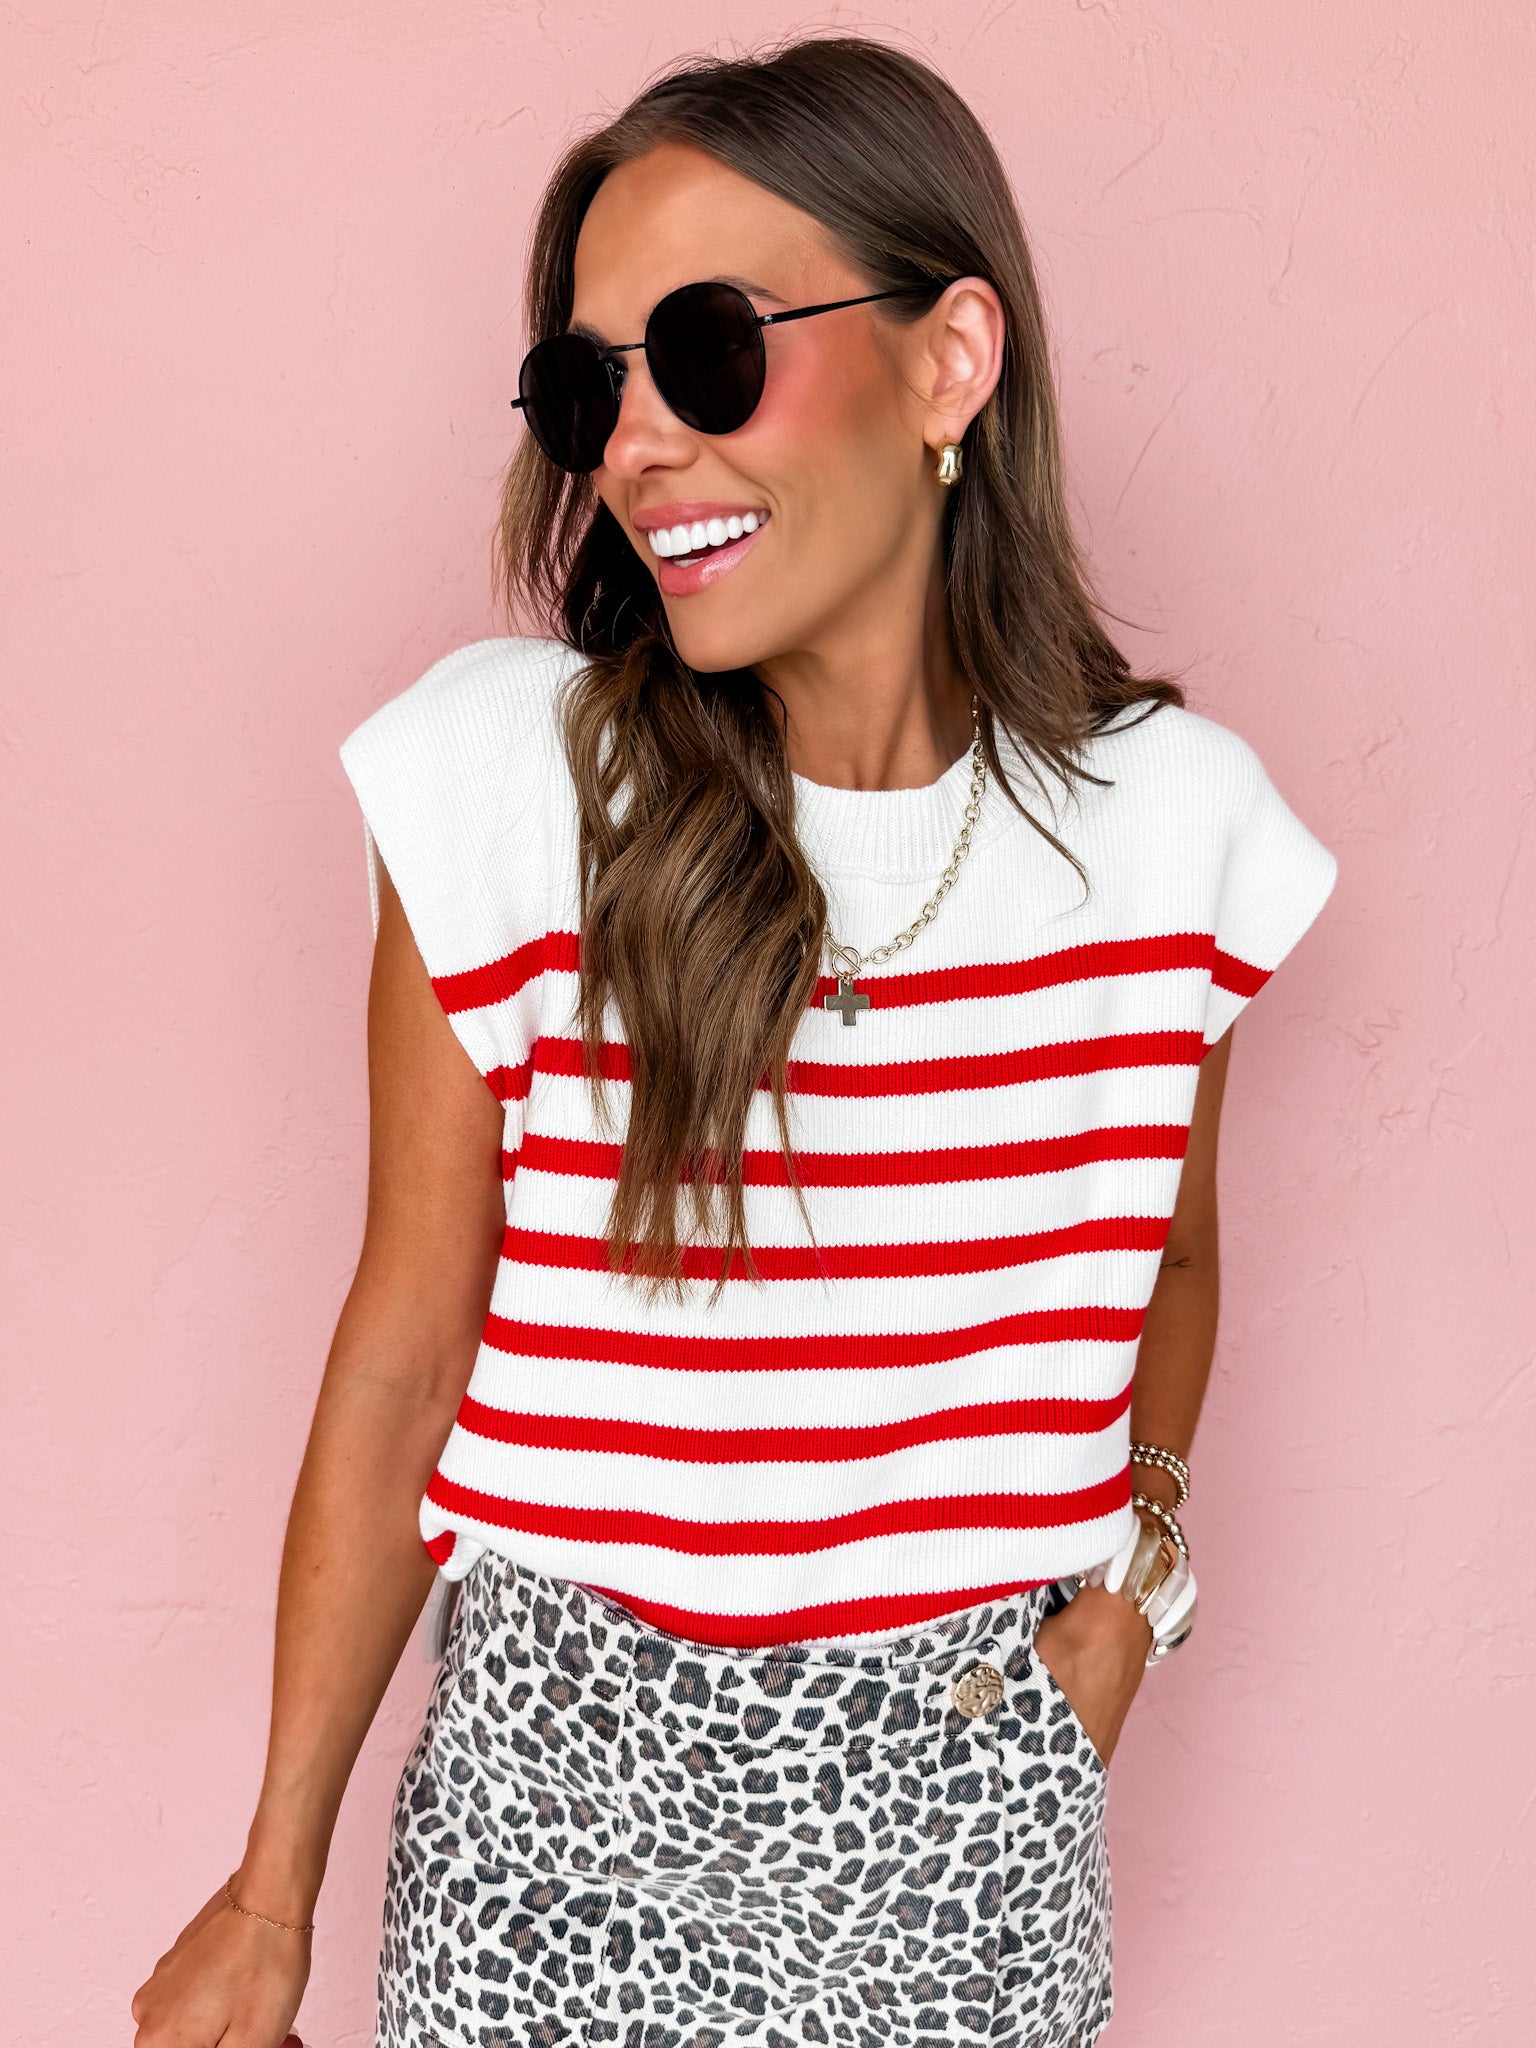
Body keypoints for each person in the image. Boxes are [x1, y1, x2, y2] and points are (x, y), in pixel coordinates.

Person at [130, 34, 1338, 2048]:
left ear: (951, 362)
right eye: (585, 389)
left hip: (968, 1834)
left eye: (705, 352)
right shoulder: (510, 785)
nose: (633, 445)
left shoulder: (1173, 830)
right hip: (547, 1833)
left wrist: (1134, 1593)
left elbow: (1176, 1256)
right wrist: (272, 1892)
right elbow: (409, 1347)